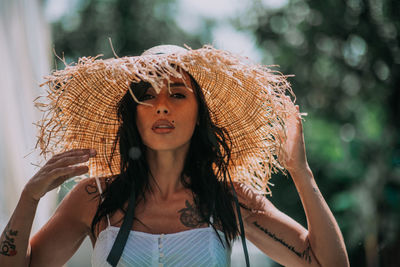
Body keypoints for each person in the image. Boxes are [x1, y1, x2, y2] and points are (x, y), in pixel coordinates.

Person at [0, 45, 349, 267]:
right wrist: (30, 197)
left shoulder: (228, 200)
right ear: (133, 114)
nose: (162, 106)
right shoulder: (95, 198)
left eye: (178, 95)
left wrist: (301, 172)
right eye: (147, 95)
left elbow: (324, 263)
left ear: (200, 114)